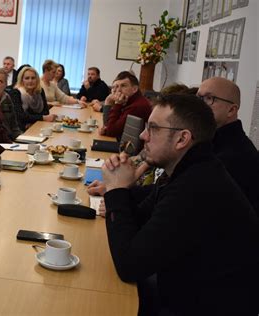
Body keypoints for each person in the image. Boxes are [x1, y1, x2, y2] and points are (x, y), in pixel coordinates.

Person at [102, 94, 259, 315]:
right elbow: (139, 222)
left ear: (182, 139)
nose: (143, 135)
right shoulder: (187, 170)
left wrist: (116, 190)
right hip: (185, 291)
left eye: (153, 129)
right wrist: (121, 190)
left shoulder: (198, 187)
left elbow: (130, 265)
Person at [197, 77, 259, 214]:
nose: (199, 105)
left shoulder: (235, 155)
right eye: (198, 98)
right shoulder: (212, 140)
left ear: (231, 110)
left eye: (209, 98)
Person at [98, 71, 151, 138]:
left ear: (134, 89)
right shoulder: (128, 101)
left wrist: (114, 104)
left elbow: (111, 132)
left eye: (123, 86)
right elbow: (107, 126)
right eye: (116, 87)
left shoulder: (137, 106)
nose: (118, 90)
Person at [9, 66, 57, 131]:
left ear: (37, 79)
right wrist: (42, 118)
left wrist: (33, 121)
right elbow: (21, 116)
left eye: (33, 78)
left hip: (38, 125)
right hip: (22, 128)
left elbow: (46, 112)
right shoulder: (15, 93)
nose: (30, 81)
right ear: (22, 80)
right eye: (27, 78)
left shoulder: (40, 91)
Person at [0, 68, 22, 141]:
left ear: (6, 84)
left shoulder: (7, 97)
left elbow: (14, 126)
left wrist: (22, 139)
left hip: (10, 138)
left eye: (1, 81)